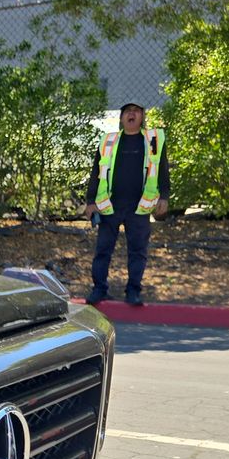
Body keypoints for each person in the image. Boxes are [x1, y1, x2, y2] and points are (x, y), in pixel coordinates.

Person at [81, 102, 170, 307]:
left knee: (138, 251)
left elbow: (162, 169)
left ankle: (133, 291)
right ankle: (99, 289)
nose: (132, 114)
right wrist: (91, 201)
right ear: (121, 118)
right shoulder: (108, 141)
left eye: (136, 111)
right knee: (103, 250)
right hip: (109, 206)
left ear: (142, 117)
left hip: (139, 207)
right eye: (128, 111)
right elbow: (96, 172)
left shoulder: (153, 141)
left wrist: (164, 196)